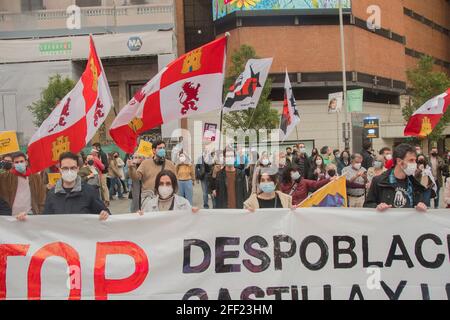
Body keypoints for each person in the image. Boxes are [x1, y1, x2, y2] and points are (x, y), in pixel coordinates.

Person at [20, 152, 110, 221]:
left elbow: (106, 214)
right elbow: (45, 220)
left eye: (73, 168)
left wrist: (105, 214)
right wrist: (28, 219)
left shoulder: (89, 191)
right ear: (60, 170)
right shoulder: (52, 194)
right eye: (65, 168)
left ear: (78, 169)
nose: (69, 171)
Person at [364, 144, 427, 212]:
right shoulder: (379, 181)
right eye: (411, 160)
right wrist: (377, 207)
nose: (415, 164)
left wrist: (421, 206)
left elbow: (419, 205)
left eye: (415, 160)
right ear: (399, 161)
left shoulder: (414, 184)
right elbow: (367, 205)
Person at [0, 152, 46, 218]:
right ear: (13, 164)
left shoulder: (36, 177)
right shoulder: (4, 177)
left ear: (26, 162)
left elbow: (41, 197)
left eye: (21, 161)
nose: (19, 164)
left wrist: (40, 213)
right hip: (12, 216)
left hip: (30, 215)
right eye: (16, 162)